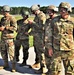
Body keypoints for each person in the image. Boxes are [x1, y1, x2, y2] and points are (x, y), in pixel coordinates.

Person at [45, 2, 74, 75]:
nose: (62, 11)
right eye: (61, 9)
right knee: (54, 70)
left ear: (68, 10)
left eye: (64, 9)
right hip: (56, 49)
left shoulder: (72, 21)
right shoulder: (54, 20)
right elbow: (49, 35)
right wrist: (49, 47)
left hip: (69, 50)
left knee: (70, 71)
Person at [29, 4, 48, 74]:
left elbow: (43, 27)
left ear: (36, 10)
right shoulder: (37, 16)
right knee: (38, 52)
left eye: (33, 12)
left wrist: (33, 23)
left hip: (40, 38)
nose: (33, 13)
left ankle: (44, 68)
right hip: (36, 37)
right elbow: (35, 28)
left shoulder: (42, 16)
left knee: (42, 53)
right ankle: (39, 64)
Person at [0, 5, 17, 72]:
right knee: (3, 52)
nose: (2, 12)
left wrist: (6, 28)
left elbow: (15, 28)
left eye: (3, 11)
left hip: (9, 39)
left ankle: (13, 67)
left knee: (11, 53)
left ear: (5, 11)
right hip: (3, 38)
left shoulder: (12, 18)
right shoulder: (2, 19)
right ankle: (6, 64)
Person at [44, 5, 58, 75]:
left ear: (54, 11)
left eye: (50, 11)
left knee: (54, 61)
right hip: (47, 42)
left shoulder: (57, 20)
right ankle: (49, 71)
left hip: (54, 43)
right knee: (47, 59)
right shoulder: (47, 20)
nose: (49, 12)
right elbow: (45, 31)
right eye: (48, 11)